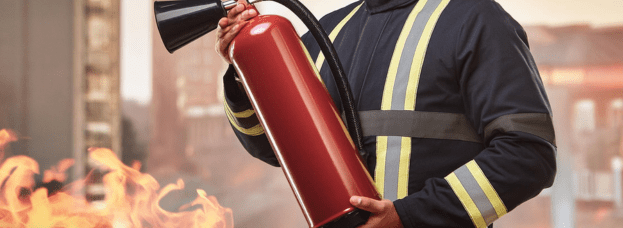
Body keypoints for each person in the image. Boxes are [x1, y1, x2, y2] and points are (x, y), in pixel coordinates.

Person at [216, 0, 557, 227]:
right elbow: (275, 148)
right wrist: (240, 70)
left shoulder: (477, 20)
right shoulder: (324, 35)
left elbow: (528, 155)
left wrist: (408, 217)